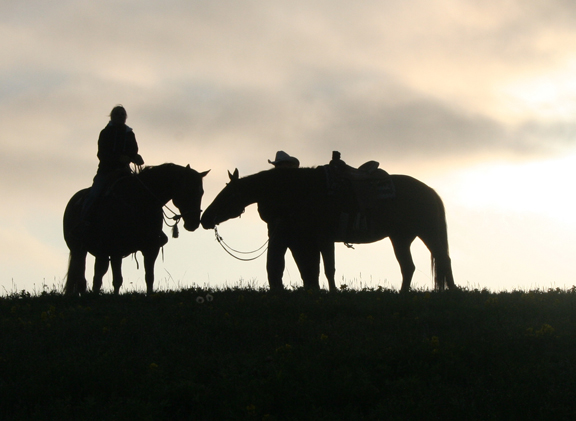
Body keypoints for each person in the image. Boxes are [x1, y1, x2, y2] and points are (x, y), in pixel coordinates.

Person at [81, 105, 144, 223]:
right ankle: (83, 222)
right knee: (93, 195)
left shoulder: (129, 134)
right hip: (106, 172)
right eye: (117, 114)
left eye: (122, 114)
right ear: (112, 117)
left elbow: (133, 151)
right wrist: (119, 159)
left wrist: (135, 157)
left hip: (124, 172)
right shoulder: (106, 133)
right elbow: (102, 154)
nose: (120, 116)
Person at [258, 151, 300, 290]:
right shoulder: (297, 184)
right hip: (285, 230)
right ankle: (277, 288)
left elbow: (263, 209)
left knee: (276, 262)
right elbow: (263, 210)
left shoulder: (268, 185)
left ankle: (277, 290)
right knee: (275, 264)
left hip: (288, 230)